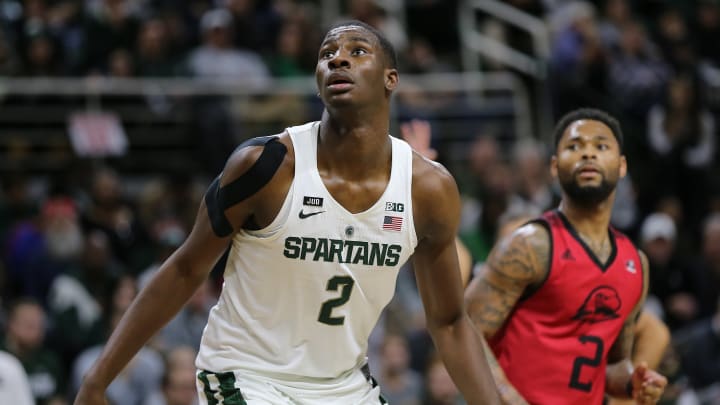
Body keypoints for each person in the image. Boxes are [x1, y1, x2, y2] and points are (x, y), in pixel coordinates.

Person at [74, 20, 500, 405]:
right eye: (327, 54)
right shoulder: (267, 165)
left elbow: (448, 322)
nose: (338, 59)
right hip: (247, 377)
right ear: (316, 83)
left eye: (357, 51)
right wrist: (97, 380)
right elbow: (185, 269)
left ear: (391, 80)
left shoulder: (428, 188)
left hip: (344, 386)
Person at [465, 108, 668, 404]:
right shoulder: (529, 245)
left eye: (601, 146)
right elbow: (465, 333)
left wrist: (634, 383)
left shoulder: (636, 263)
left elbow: (611, 365)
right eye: (574, 146)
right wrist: (508, 399)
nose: (588, 154)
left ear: (622, 165)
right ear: (554, 166)